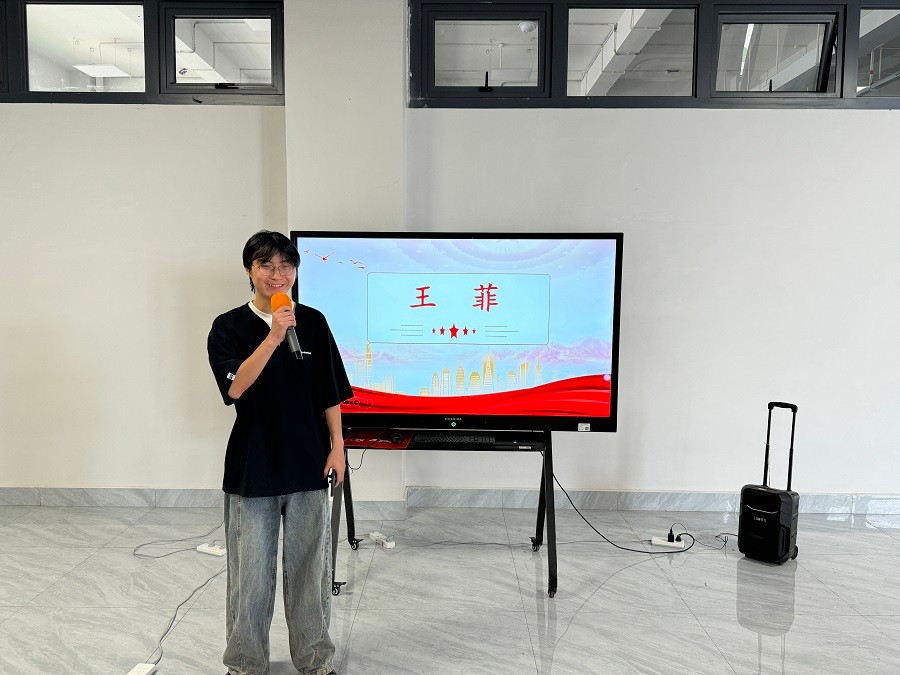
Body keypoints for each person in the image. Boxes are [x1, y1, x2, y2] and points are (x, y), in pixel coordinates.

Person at [207, 230, 351, 675]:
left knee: (311, 571)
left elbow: (329, 392)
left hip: (309, 463)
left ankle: (315, 659)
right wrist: (273, 336)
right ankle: (245, 663)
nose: (277, 274)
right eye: (266, 265)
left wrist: (338, 447)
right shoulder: (228, 327)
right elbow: (235, 387)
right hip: (254, 466)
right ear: (249, 270)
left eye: (285, 266)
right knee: (250, 575)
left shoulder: (314, 322)